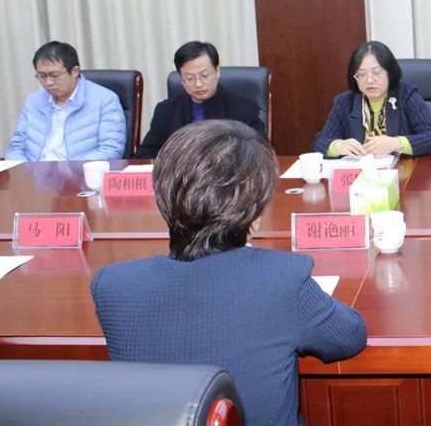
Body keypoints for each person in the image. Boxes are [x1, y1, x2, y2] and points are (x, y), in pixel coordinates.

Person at [92, 120, 367, 426]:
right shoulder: (282, 279)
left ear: (163, 198)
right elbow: (349, 336)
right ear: (255, 217)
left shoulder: (112, 286)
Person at [314, 41, 431, 157]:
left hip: (403, 173)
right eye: (361, 74)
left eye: (376, 72)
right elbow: (320, 142)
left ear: (390, 72)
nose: (369, 80)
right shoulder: (344, 102)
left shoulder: (406, 95)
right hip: (361, 175)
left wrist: (396, 144)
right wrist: (338, 146)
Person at [136, 41, 265, 159]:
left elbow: (260, 152)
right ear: (181, 79)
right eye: (190, 78)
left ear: (217, 72)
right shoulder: (166, 110)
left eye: (204, 75)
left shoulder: (243, 108)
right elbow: (145, 154)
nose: (198, 84)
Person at [6, 42, 126, 161]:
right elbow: (17, 146)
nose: (48, 82)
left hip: (80, 171)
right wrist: (22, 169)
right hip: (34, 171)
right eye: (42, 76)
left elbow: (111, 150)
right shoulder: (34, 101)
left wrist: (70, 169)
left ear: (75, 71)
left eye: (54, 75)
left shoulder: (105, 100)